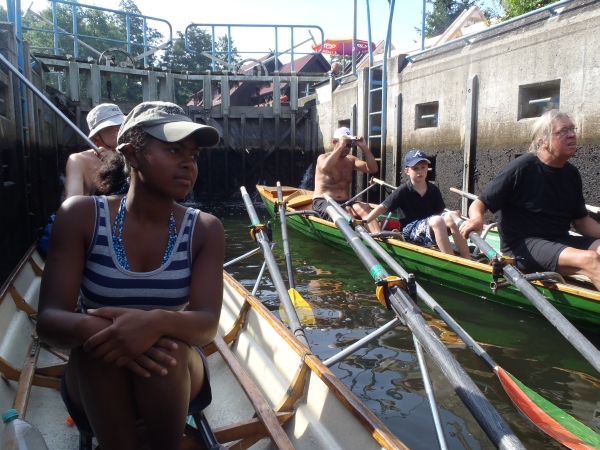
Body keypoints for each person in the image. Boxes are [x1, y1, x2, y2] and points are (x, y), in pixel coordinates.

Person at [37, 101, 224, 450]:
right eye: (173, 149)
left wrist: (152, 326)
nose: (188, 162)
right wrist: (115, 333)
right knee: (97, 351)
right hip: (94, 376)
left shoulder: (205, 230)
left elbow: (206, 324)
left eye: (194, 155)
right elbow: (48, 320)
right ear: (132, 155)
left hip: (175, 371)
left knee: (164, 352)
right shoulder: (80, 216)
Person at [460, 109, 600, 289]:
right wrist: (476, 218)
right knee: (591, 260)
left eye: (573, 129)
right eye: (563, 131)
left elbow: (581, 221)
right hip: (523, 248)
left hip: (559, 241)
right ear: (543, 141)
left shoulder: (571, 173)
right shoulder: (522, 167)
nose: (572, 135)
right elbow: (480, 203)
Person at [364, 150, 472, 258]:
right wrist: (364, 222)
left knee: (451, 216)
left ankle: (468, 259)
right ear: (407, 171)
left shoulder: (434, 190)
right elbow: (383, 207)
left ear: (427, 169)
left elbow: (440, 212)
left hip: (431, 227)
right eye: (415, 168)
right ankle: (452, 261)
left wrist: (453, 215)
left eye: (423, 167)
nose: (420, 171)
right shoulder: (402, 190)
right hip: (409, 231)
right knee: (437, 220)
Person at [312, 127, 381, 233]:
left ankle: (379, 238)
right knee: (346, 210)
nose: (347, 148)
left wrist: (364, 148)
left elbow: (373, 169)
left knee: (365, 207)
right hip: (322, 201)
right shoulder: (323, 157)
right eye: (345, 144)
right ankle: (356, 238)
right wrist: (340, 146)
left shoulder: (351, 160)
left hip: (345, 202)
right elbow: (325, 168)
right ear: (335, 142)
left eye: (349, 145)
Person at [64, 103, 125, 198]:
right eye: (117, 128)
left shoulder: (131, 155)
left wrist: (117, 160)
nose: (123, 132)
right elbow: (72, 201)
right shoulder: (78, 160)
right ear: (97, 134)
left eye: (123, 126)